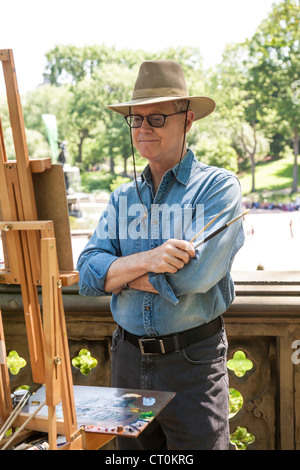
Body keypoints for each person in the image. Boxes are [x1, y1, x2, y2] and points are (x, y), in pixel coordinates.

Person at [77, 59, 245, 450]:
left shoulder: (218, 189)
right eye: (135, 119)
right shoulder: (121, 198)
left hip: (193, 364)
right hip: (127, 358)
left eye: (156, 118)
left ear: (186, 121)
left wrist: (119, 276)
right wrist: (149, 260)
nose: (143, 128)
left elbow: (192, 278)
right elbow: (86, 272)